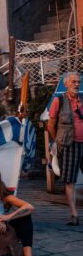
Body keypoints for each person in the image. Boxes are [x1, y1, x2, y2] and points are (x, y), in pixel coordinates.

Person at [47, 71, 83, 224]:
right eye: (73, 82)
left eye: (78, 82)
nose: (76, 84)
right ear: (66, 83)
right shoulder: (59, 101)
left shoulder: (82, 101)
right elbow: (50, 125)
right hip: (69, 145)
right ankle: (74, 215)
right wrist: (57, 141)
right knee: (70, 181)